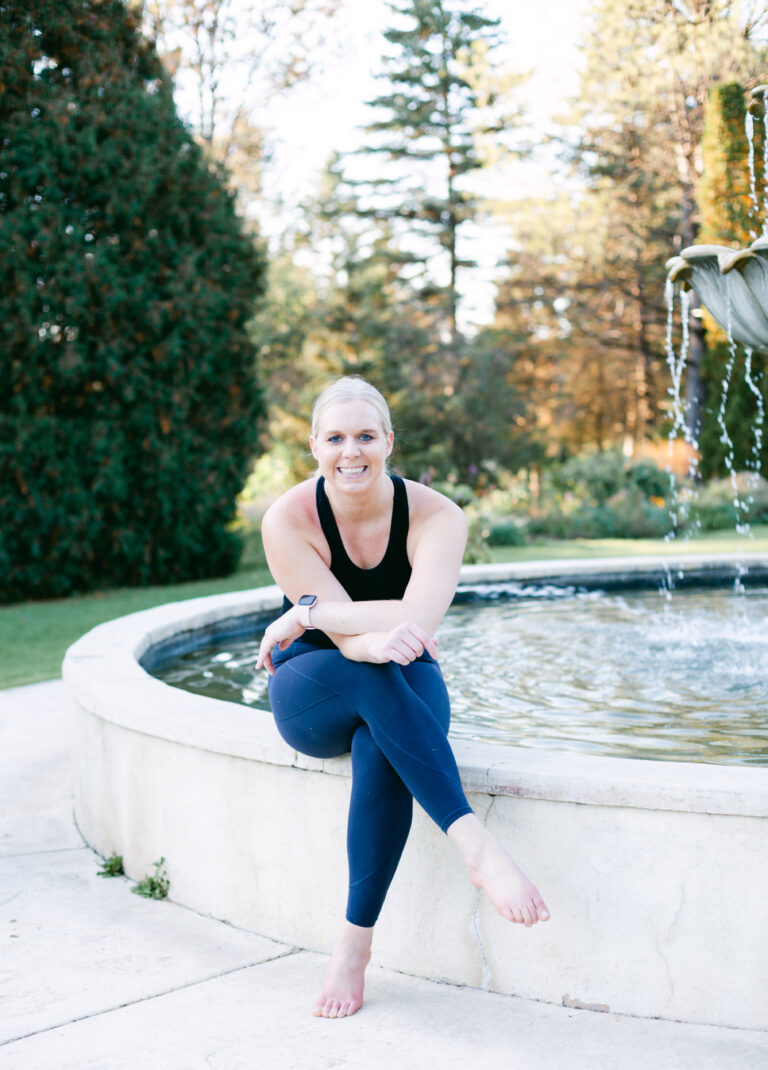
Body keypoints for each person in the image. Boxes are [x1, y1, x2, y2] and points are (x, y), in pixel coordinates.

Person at [256, 376, 550, 1019]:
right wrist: (353, 638)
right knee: (369, 673)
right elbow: (352, 639)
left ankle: (353, 946)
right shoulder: (288, 519)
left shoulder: (438, 516)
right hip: (313, 685)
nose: (351, 452)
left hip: (402, 670)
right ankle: (477, 846)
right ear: (314, 446)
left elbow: (421, 617)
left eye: (366, 436)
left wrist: (306, 614)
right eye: (335, 438)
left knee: (381, 742)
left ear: (389, 441)